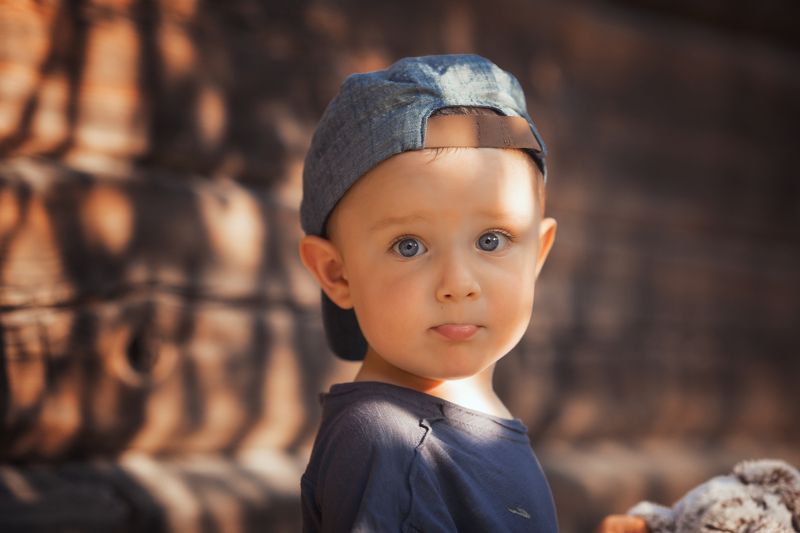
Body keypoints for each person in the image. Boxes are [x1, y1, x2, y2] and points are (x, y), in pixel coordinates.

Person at [297, 54, 559, 532]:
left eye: (492, 240)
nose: (458, 283)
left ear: (536, 256)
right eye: (409, 245)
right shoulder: (389, 446)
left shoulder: (466, 426)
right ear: (338, 274)